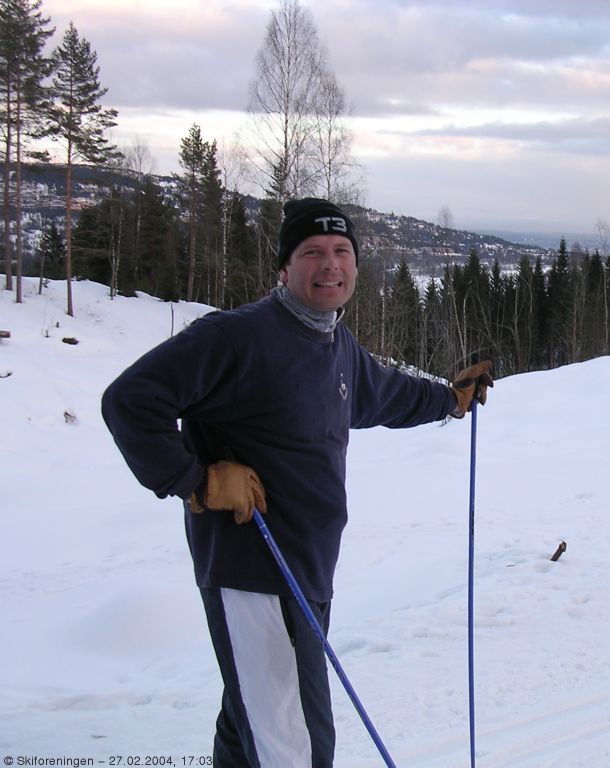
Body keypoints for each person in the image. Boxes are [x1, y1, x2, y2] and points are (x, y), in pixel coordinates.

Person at [101, 198, 493, 767]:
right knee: (295, 747)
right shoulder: (239, 337)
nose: (329, 264)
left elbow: (384, 392)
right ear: (284, 268)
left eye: (341, 252)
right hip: (256, 574)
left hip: (306, 572)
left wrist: (448, 401)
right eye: (312, 252)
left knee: (251, 731)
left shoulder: (335, 346)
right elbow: (129, 401)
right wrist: (197, 479)